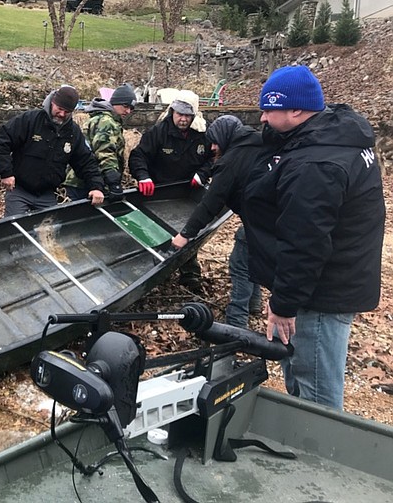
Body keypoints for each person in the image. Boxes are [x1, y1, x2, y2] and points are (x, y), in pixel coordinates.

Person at [241, 65, 384, 410]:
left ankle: (320, 456)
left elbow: (305, 242)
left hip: (320, 294)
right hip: (329, 281)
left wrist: (284, 304)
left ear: (296, 110)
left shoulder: (316, 165)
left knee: (315, 394)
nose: (261, 118)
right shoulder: (334, 137)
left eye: (268, 109)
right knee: (304, 374)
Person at [170, 115, 264, 327]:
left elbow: (210, 203)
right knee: (252, 257)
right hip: (267, 218)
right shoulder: (258, 142)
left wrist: (185, 234)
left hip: (258, 220)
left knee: (240, 266)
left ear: (225, 137)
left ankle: (236, 324)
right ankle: (254, 304)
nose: (212, 147)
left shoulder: (231, 160)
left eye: (215, 142)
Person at [128, 90, 212, 289]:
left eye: (187, 115)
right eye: (179, 114)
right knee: (156, 232)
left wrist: (202, 173)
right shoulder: (158, 133)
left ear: (194, 115)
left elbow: (212, 158)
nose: (183, 119)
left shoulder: (202, 135)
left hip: (188, 192)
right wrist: (143, 176)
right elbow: (138, 156)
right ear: (172, 111)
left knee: (188, 233)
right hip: (159, 191)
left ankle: (189, 273)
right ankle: (156, 270)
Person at [0, 85, 105, 216]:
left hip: (47, 194)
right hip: (19, 190)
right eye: (59, 109)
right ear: (52, 102)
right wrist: (5, 172)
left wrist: (96, 187)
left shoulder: (73, 132)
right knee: (14, 228)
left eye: (67, 112)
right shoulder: (30, 120)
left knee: (46, 232)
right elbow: (0, 142)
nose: (62, 114)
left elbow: (86, 161)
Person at [63, 84, 136, 201]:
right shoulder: (106, 121)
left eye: (131, 109)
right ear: (115, 103)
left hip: (80, 180)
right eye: (125, 106)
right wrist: (113, 181)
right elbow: (104, 152)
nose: (128, 111)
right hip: (86, 183)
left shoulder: (99, 118)